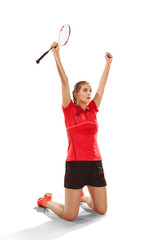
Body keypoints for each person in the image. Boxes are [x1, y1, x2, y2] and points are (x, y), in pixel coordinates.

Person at [37, 41, 113, 221]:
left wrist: (108, 63)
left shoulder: (93, 109)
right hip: (76, 164)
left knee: (101, 209)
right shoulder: (69, 109)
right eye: (85, 90)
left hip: (95, 163)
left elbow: (102, 86)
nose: (89, 93)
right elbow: (64, 81)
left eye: (90, 90)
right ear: (76, 94)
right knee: (70, 216)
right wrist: (57, 55)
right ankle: (46, 201)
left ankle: (83, 197)